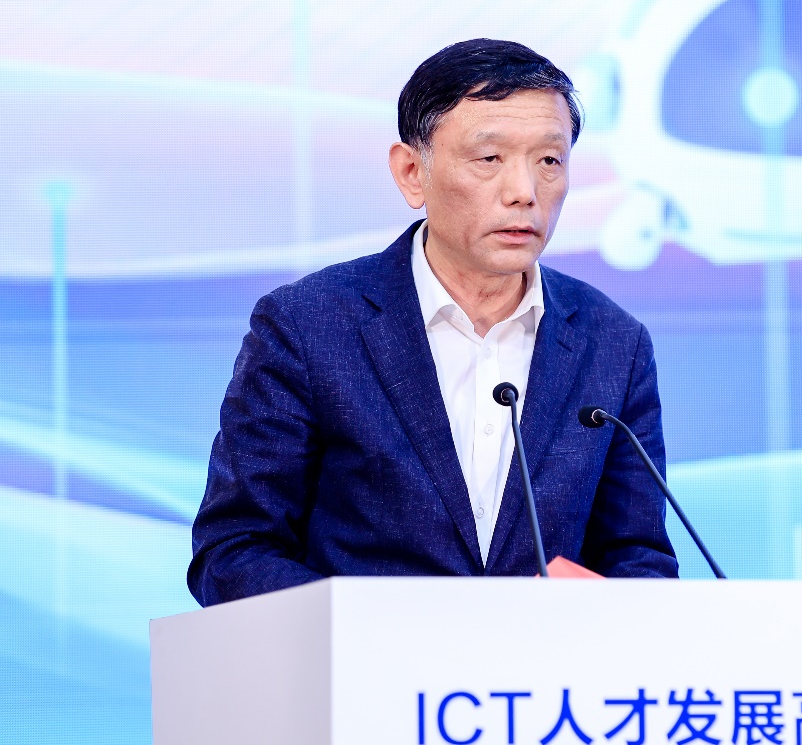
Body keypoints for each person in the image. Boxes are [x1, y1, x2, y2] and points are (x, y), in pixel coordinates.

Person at [187, 39, 678, 606]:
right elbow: (234, 552)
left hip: (545, 663)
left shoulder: (612, 343)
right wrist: (384, 628)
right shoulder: (310, 326)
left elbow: (639, 558)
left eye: (549, 161)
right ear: (411, 173)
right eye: (489, 159)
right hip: (362, 660)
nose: (524, 193)